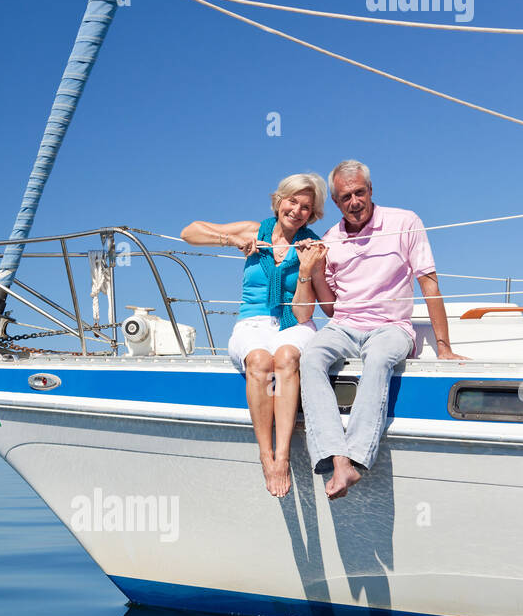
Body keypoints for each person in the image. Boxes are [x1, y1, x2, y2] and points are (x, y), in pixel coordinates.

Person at [300, 160, 465, 500]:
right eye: (346, 197)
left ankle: (357, 459)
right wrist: (314, 271)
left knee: (377, 360)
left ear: (371, 191)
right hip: (344, 325)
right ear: (335, 202)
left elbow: (428, 284)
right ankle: (337, 457)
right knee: (311, 357)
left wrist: (444, 346)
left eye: (360, 192)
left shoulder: (405, 222)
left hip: (391, 327)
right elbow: (330, 308)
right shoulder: (330, 239)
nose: (354, 201)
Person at [181, 174, 328, 497]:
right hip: (252, 322)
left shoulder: (314, 246)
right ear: (279, 201)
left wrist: (305, 270)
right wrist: (230, 241)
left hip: (294, 324)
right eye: (292, 201)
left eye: (306, 207)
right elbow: (189, 232)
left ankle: (283, 456)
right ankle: (266, 456)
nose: (297, 210)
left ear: (313, 213)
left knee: (286, 358)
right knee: (260, 361)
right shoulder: (253, 231)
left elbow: (305, 314)